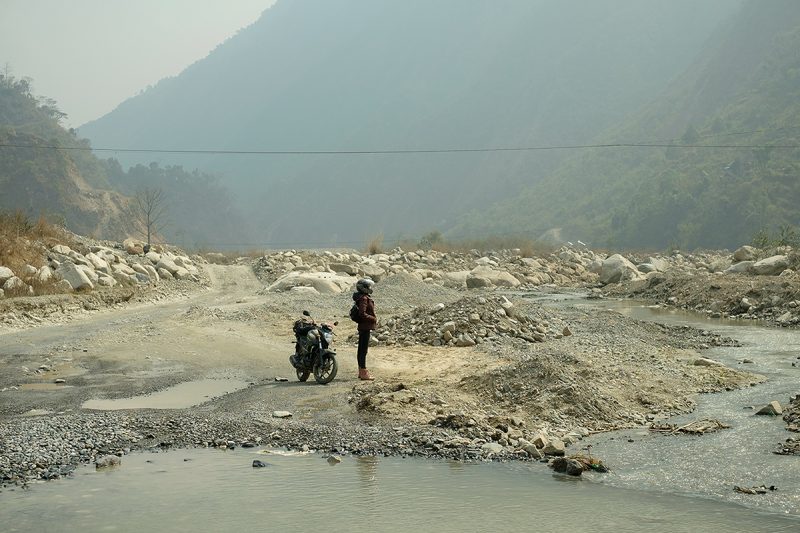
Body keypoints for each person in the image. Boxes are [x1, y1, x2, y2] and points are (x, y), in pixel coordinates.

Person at [353, 278, 377, 380]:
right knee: (363, 350)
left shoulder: (362, 297)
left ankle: (361, 372)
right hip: (365, 326)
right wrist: (373, 319)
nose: (370, 288)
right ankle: (363, 373)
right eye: (368, 286)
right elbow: (362, 314)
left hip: (363, 326)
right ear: (364, 288)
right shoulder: (363, 298)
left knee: (361, 350)